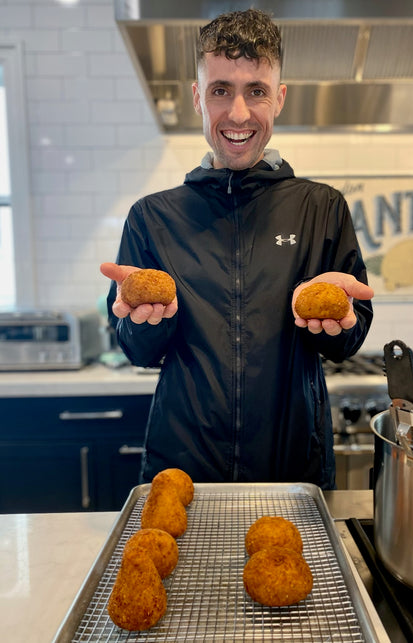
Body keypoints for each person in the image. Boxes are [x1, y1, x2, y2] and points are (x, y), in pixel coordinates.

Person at [101, 8, 374, 489]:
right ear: (197, 98)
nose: (239, 113)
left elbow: (344, 344)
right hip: (183, 465)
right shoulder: (153, 217)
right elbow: (136, 350)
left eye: (257, 91)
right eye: (220, 90)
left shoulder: (321, 207)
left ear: (280, 98)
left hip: (293, 466)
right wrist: (142, 323)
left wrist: (342, 322)